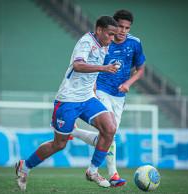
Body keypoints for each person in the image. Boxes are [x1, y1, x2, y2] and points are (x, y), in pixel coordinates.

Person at [15, 15, 119, 190]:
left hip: (87, 98)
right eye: (110, 34)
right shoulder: (86, 42)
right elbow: (78, 65)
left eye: (114, 35)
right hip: (68, 100)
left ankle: (92, 171)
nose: (112, 39)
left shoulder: (104, 46)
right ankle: (24, 167)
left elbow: (90, 71)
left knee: (110, 129)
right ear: (99, 30)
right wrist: (103, 68)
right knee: (59, 144)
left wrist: (93, 84)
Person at [71, 9, 146, 187]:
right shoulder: (105, 41)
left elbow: (141, 70)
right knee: (109, 131)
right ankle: (113, 174)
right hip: (101, 90)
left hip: (119, 96)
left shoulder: (135, 43)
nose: (122, 31)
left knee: (108, 135)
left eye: (127, 28)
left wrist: (128, 83)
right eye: (120, 26)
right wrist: (94, 86)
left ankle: (74, 132)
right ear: (114, 25)